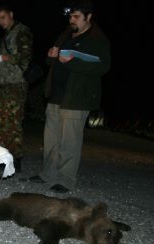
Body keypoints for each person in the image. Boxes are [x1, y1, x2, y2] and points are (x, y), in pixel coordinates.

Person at [28, 0, 110, 193]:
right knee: (51, 139)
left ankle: (66, 179)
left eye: (76, 17)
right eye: (70, 16)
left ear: (88, 17)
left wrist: (72, 62)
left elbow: (103, 66)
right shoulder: (66, 34)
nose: (72, 20)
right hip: (56, 94)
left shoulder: (97, 39)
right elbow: (52, 60)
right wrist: (51, 55)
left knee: (69, 141)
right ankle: (48, 173)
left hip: (77, 97)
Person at [0, 4, 33, 172]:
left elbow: (25, 57)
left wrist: (3, 57)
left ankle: (15, 160)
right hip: (2, 83)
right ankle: (3, 158)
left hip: (15, 84)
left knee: (12, 123)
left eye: (3, 17)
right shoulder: (7, 34)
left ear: (11, 14)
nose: (1, 21)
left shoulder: (22, 31)